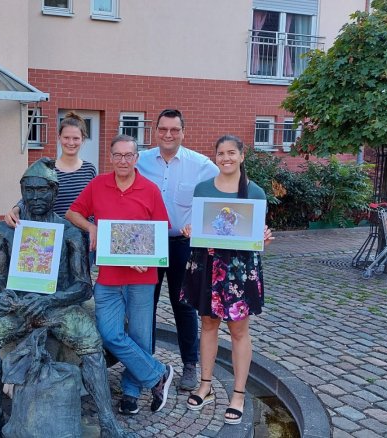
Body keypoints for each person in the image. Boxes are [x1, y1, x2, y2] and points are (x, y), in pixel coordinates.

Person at [0, 158, 130, 438]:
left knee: (92, 345)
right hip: (18, 306)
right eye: (29, 190)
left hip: (58, 306)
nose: (35, 197)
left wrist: (51, 301)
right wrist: (0, 297)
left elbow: (83, 287)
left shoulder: (70, 232)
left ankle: (108, 422)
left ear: (55, 192)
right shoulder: (4, 230)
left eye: (42, 190)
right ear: (21, 192)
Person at [67, 135, 175, 415]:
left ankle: (131, 392)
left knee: (140, 337)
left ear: (136, 158)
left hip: (142, 277)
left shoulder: (149, 190)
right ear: (111, 157)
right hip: (109, 276)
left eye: (128, 155)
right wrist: (91, 228)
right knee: (109, 333)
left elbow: (161, 230)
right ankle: (158, 374)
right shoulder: (98, 184)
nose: (123, 161)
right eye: (118, 155)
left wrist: (147, 256)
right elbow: (73, 212)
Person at [180, 135, 273, 425]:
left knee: (238, 331)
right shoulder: (204, 188)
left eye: (231, 152)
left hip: (239, 269)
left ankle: (238, 394)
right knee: (207, 324)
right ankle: (205, 385)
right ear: (215, 157)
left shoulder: (254, 192)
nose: (226, 158)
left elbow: (256, 235)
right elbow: (201, 225)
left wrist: (264, 239)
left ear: (242, 156)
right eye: (221, 153)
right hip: (208, 264)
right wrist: (189, 229)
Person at [136, 108, 219, 390]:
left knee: (183, 306)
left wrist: (201, 223)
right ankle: (145, 362)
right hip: (148, 243)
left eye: (174, 130)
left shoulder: (202, 165)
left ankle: (189, 365)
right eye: (163, 129)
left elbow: (226, 191)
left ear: (184, 132)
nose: (168, 135)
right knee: (145, 303)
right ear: (155, 131)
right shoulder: (141, 161)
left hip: (184, 245)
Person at [4, 112, 97, 224]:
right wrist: (16, 209)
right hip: (53, 233)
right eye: (66, 137)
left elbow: (95, 203)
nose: (71, 142)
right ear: (59, 138)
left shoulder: (89, 170)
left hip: (82, 234)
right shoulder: (47, 170)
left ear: (83, 139)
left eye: (76, 138)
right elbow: (31, 195)